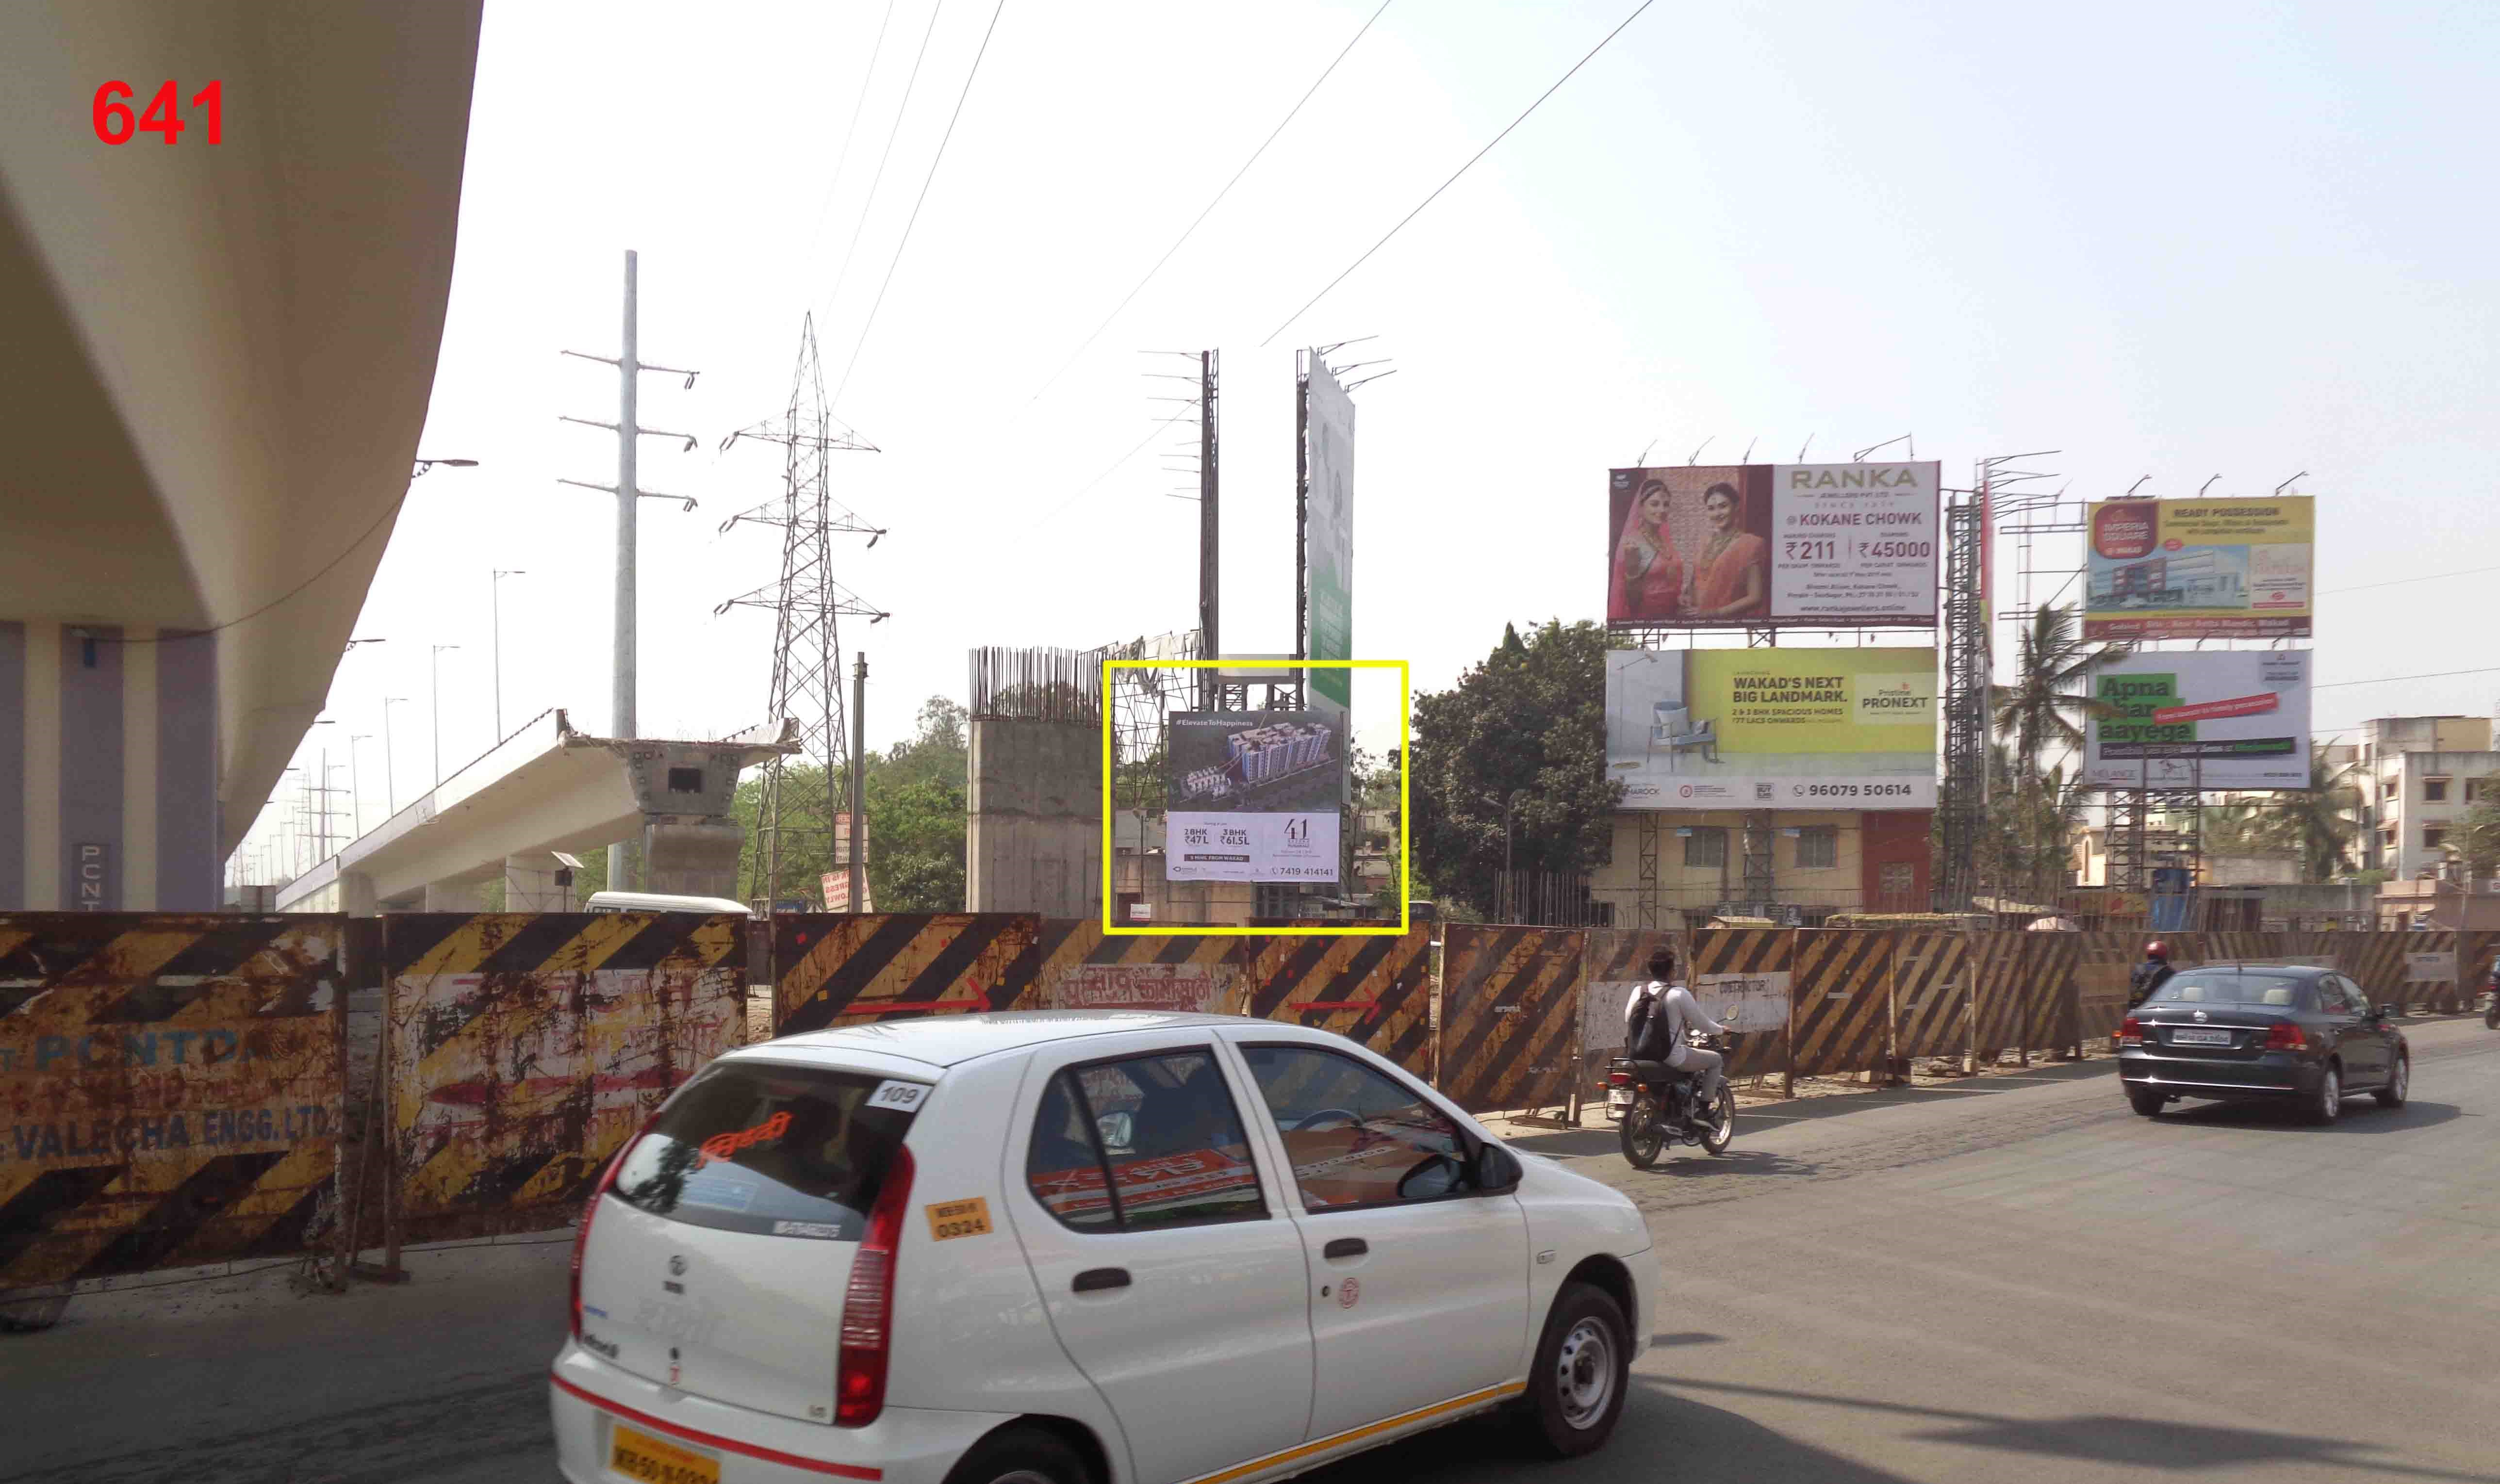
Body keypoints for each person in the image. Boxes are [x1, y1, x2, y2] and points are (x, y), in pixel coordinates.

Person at [1621, 947, 1728, 1117]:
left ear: (1651, 970)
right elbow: (1703, 1025)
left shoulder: (1639, 992)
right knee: (1716, 1060)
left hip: (1639, 1055)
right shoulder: (1679, 994)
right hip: (1672, 1057)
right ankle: (1705, 1111)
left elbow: (1629, 1019)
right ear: (1672, 971)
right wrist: (1721, 1030)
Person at [1683, 481, 1767, 619]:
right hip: (1697, 622)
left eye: (1723, 506)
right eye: (1711, 508)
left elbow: (1755, 597)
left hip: (1731, 623)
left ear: (1737, 507)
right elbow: (1696, 582)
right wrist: (1687, 597)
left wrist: (1714, 613)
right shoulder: (1704, 542)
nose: (1717, 514)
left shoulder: (1751, 544)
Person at [1609, 478, 1685, 622]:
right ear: (1641, 508)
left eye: (1666, 505)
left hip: (1671, 617)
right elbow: (1632, 603)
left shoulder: (1665, 541)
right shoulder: (1633, 544)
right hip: (1647, 617)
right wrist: (1632, 572)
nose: (1662, 510)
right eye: (1655, 504)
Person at [2127, 941, 2175, 1009]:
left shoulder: (2138, 970)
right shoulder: (2168, 971)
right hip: (2157, 1009)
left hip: (2136, 1008)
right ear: (2165, 956)